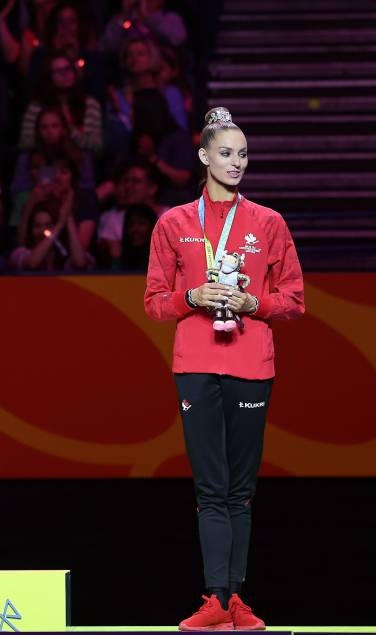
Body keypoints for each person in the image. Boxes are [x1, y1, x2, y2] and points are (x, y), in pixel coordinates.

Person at [143, 107, 305, 631]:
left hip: (251, 362)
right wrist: (193, 295)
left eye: (243, 154)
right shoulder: (174, 223)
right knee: (211, 488)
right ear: (204, 157)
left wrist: (251, 302)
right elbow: (154, 302)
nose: (236, 163)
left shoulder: (268, 223)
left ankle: (237, 599)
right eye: (226, 153)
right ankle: (216, 599)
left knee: (241, 488)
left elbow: (295, 299)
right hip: (195, 362)